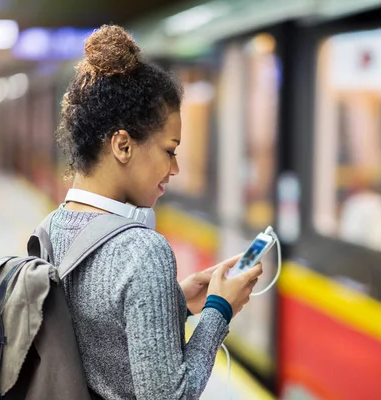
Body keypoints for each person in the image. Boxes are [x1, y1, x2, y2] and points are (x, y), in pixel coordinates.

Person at [49, 25, 263, 399]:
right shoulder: (143, 252)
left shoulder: (53, 226)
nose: (175, 168)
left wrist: (172, 301)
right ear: (123, 145)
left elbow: (96, 334)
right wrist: (218, 310)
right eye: (169, 150)